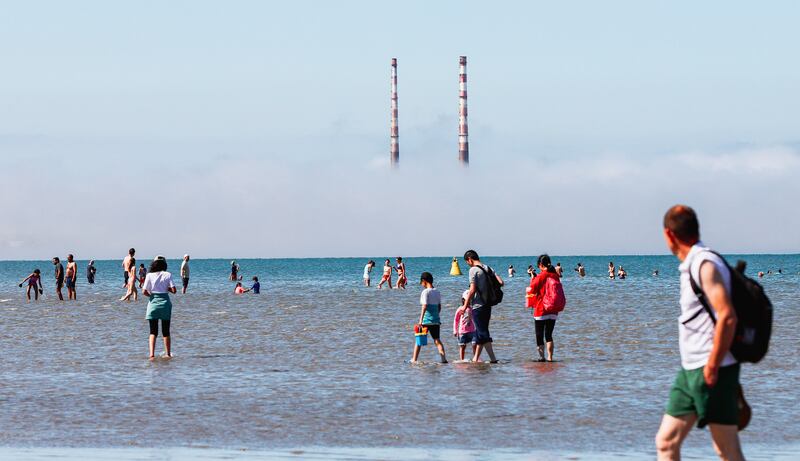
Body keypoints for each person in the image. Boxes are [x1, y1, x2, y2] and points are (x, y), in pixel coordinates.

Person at [655, 205, 745, 461]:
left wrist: (714, 365)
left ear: (669, 235)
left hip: (711, 368)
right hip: (690, 370)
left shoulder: (704, 264)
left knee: (726, 449)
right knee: (666, 442)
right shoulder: (694, 263)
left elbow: (727, 316)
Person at [463, 250, 503, 363]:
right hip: (488, 304)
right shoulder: (488, 268)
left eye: (467, 262)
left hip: (478, 305)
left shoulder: (473, 270)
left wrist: (465, 306)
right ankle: (475, 358)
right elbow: (501, 282)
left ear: (470, 259)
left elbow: (472, 290)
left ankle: (493, 359)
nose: (468, 264)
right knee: (479, 331)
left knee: (483, 332)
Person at [142, 257, 176, 359]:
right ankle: (168, 354)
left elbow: (144, 291)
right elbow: (174, 290)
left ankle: (151, 354)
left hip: (153, 304)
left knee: (153, 331)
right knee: (166, 331)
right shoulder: (168, 274)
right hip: (165, 304)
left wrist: (152, 296)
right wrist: (166, 288)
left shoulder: (149, 275)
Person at [529, 254, 561, 362]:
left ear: (541, 265)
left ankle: (542, 358)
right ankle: (550, 358)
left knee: (539, 335)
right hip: (553, 309)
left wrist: (533, 278)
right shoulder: (555, 275)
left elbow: (532, 290)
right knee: (549, 335)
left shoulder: (541, 276)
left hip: (541, 309)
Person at [411, 272, 447, 363]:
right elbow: (439, 307)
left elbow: (424, 306)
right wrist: (436, 316)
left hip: (426, 320)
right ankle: (444, 359)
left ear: (424, 281)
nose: (422, 285)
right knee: (437, 340)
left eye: (421, 283)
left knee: (418, 340)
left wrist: (420, 320)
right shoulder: (437, 291)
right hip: (435, 320)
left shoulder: (425, 292)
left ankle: (414, 360)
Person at [453, 289, 477, 361]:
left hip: (472, 331)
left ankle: (476, 358)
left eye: (470, 300)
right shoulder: (460, 309)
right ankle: (462, 359)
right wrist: (455, 330)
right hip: (462, 332)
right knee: (462, 346)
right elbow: (456, 320)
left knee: (474, 344)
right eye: (467, 300)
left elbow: (476, 318)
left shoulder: (472, 308)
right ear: (463, 300)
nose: (469, 301)